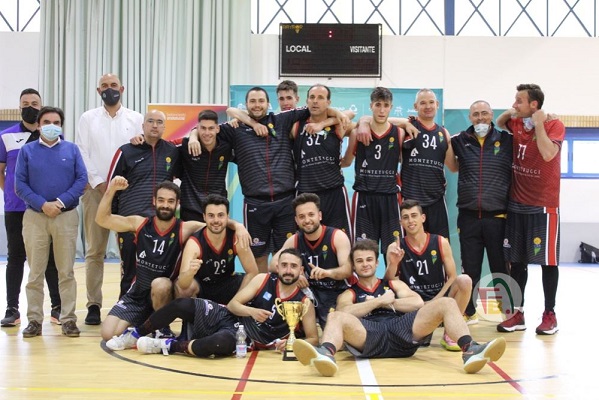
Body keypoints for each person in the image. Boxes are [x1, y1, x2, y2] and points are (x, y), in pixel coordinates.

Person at [292, 239, 506, 377]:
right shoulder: (350, 292)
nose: (365, 264)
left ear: (377, 264)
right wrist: (378, 302)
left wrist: (391, 301)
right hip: (368, 335)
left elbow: (417, 303)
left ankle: (470, 350)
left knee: (447, 303)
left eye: (369, 260)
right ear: (354, 267)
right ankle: (326, 355)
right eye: (359, 261)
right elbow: (344, 313)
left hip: (401, 331)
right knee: (336, 317)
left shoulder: (392, 285)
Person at [97, 176, 248, 341]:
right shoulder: (139, 224)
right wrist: (111, 190)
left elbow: (215, 222)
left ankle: (162, 329)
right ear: (154, 201)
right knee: (108, 334)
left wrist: (238, 226)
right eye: (161, 200)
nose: (165, 205)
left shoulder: (184, 228)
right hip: (139, 293)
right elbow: (102, 219)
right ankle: (144, 322)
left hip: (166, 292)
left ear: (177, 204)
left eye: (170, 201)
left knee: (160, 284)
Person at [217, 86, 347, 272]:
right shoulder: (236, 128)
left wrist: (333, 118)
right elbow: (211, 127)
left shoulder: (282, 120)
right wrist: (196, 138)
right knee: (259, 256)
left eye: (261, 101)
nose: (257, 105)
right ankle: (262, 295)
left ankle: (285, 296)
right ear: (245, 105)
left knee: (285, 256)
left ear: (268, 104)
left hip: (285, 202)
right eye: (252, 101)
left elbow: (316, 108)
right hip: (255, 204)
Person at [495, 84, 565, 335]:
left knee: (547, 262)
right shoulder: (516, 123)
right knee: (517, 262)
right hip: (516, 205)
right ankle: (517, 312)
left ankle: (549, 314)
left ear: (534, 105)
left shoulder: (554, 125)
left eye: (519, 101)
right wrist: (517, 113)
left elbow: (547, 154)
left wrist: (539, 123)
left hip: (544, 206)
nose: (514, 104)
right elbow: (501, 119)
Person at [76, 73, 144, 326]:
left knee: (131, 251)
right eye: (104, 86)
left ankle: (127, 301)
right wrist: (99, 182)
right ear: (98, 90)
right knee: (95, 250)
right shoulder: (87, 118)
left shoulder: (136, 119)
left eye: (113, 85)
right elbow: (81, 151)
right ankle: (94, 304)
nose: (109, 89)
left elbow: (142, 150)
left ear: (122, 89)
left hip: (129, 193)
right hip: (96, 191)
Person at [15, 106, 87, 338]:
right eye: (47, 121)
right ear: (38, 125)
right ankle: (34, 320)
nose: (52, 125)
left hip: (65, 216)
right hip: (35, 217)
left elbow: (81, 180)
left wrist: (60, 202)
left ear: (61, 125)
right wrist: (42, 204)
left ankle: (68, 319)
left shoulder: (72, 150)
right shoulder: (27, 152)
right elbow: (20, 185)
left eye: (56, 122)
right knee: (35, 272)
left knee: (66, 271)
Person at [446, 100, 512, 324]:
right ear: (470, 117)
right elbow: (452, 165)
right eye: (476, 114)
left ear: (492, 115)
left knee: (500, 268)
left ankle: (509, 314)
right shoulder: (458, 140)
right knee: (469, 269)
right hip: (469, 217)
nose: (480, 118)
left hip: (498, 218)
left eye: (485, 113)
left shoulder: (507, 140)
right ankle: (469, 311)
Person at [0, 89, 61, 327]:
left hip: (46, 208)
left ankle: (57, 307)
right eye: (25, 103)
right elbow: (1, 172)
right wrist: (13, 194)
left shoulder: (52, 136)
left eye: (35, 103)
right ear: (19, 106)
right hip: (17, 208)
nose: (30, 107)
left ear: (41, 106)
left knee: (50, 260)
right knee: (16, 257)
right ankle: (12, 309)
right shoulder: (6, 136)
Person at [107, 110, 181, 298]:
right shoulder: (126, 151)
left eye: (159, 122)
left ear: (165, 127)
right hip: (130, 222)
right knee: (130, 271)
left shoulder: (172, 151)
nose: (154, 125)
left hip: (159, 224)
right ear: (143, 126)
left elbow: (202, 133)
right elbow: (112, 187)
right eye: (150, 121)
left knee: (159, 273)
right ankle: (125, 312)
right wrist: (117, 219)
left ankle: (155, 317)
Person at [384, 199, 472, 351]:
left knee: (464, 280)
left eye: (414, 216)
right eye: (405, 217)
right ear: (401, 222)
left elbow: (452, 277)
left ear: (422, 218)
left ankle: (450, 334)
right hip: (413, 304)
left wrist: (436, 300)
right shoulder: (395, 247)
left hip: (440, 298)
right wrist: (393, 262)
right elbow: (389, 281)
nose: (410, 221)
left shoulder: (439, 242)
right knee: (417, 342)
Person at [270, 193, 352, 327]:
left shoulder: (337, 236)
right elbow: (273, 264)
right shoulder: (294, 240)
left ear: (319, 215)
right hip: (309, 292)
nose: (307, 220)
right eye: (302, 217)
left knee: (334, 326)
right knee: (274, 279)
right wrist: (296, 276)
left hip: (336, 291)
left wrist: (327, 273)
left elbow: (347, 270)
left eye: (311, 215)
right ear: (296, 220)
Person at [342, 87, 402, 253]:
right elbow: (346, 161)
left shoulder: (400, 133)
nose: (382, 110)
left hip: (389, 197)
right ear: (371, 106)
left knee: (394, 250)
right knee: (364, 251)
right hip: (364, 197)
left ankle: (392, 280)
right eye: (378, 105)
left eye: (386, 105)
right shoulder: (356, 133)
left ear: (391, 107)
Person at [227, 248, 319, 350]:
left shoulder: (305, 303)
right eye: (284, 265)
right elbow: (232, 305)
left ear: (301, 270)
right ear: (277, 267)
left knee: (217, 341)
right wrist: (252, 312)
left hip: (263, 348)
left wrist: (293, 344)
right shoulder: (262, 279)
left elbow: (313, 339)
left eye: (293, 266)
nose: (288, 271)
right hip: (239, 332)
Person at [292, 84, 353, 234]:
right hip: (306, 193)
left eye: (320, 98)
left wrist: (347, 159)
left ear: (328, 103)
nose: (315, 101)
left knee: (341, 239)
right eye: (312, 97)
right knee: (305, 242)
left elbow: (355, 121)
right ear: (306, 101)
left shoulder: (338, 126)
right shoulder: (296, 126)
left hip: (334, 191)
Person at [176, 194, 259, 304]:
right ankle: (191, 320)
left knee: (255, 282)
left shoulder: (236, 237)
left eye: (220, 215)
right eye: (211, 215)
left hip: (227, 284)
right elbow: (182, 284)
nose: (216, 220)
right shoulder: (194, 243)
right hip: (203, 287)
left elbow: (253, 272)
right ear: (204, 217)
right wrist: (190, 273)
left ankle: (241, 317)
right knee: (184, 290)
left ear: (227, 216)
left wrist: (237, 302)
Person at [400, 89, 456, 239]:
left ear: (437, 104)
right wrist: (404, 123)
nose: (428, 106)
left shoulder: (444, 133)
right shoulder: (407, 128)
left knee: (440, 247)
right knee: (409, 249)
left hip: (436, 199)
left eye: (431, 102)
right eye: (423, 103)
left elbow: (453, 166)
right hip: (411, 200)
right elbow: (382, 121)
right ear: (415, 106)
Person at [105, 297, 238, 358]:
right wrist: (252, 311)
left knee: (220, 342)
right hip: (225, 315)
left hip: (239, 334)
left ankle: (168, 345)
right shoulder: (259, 281)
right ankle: (136, 334)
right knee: (181, 304)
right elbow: (234, 304)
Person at [176, 110, 232, 222]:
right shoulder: (187, 146)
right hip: (190, 210)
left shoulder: (226, 148)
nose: (207, 133)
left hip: (216, 210)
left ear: (217, 129)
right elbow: (162, 146)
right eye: (203, 128)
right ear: (197, 128)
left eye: (211, 128)